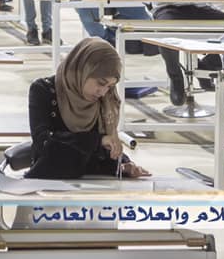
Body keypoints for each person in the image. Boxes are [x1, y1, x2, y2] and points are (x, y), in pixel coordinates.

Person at [26, 37, 150, 179]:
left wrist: (124, 164)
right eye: (100, 83)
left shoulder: (106, 101)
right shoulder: (43, 90)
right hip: (48, 181)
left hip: (95, 183)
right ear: (82, 71)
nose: (103, 92)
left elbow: (104, 151)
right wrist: (97, 141)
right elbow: (43, 142)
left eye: (110, 86)